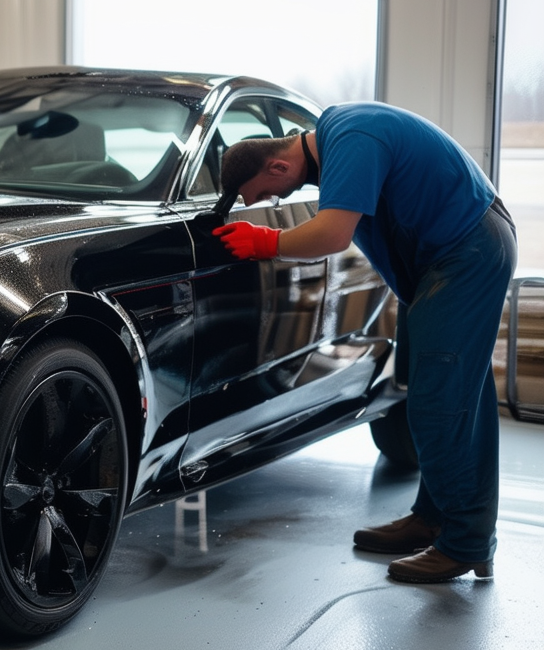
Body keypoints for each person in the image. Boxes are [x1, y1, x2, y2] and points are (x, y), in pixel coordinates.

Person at [211, 101, 517, 583]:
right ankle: (433, 518)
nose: (263, 205)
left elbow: (333, 233)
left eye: (265, 194)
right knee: (441, 391)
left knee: (443, 402)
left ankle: (466, 544)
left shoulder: (351, 138)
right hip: (446, 258)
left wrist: (266, 242)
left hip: (467, 251)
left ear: (279, 165)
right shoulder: (341, 139)